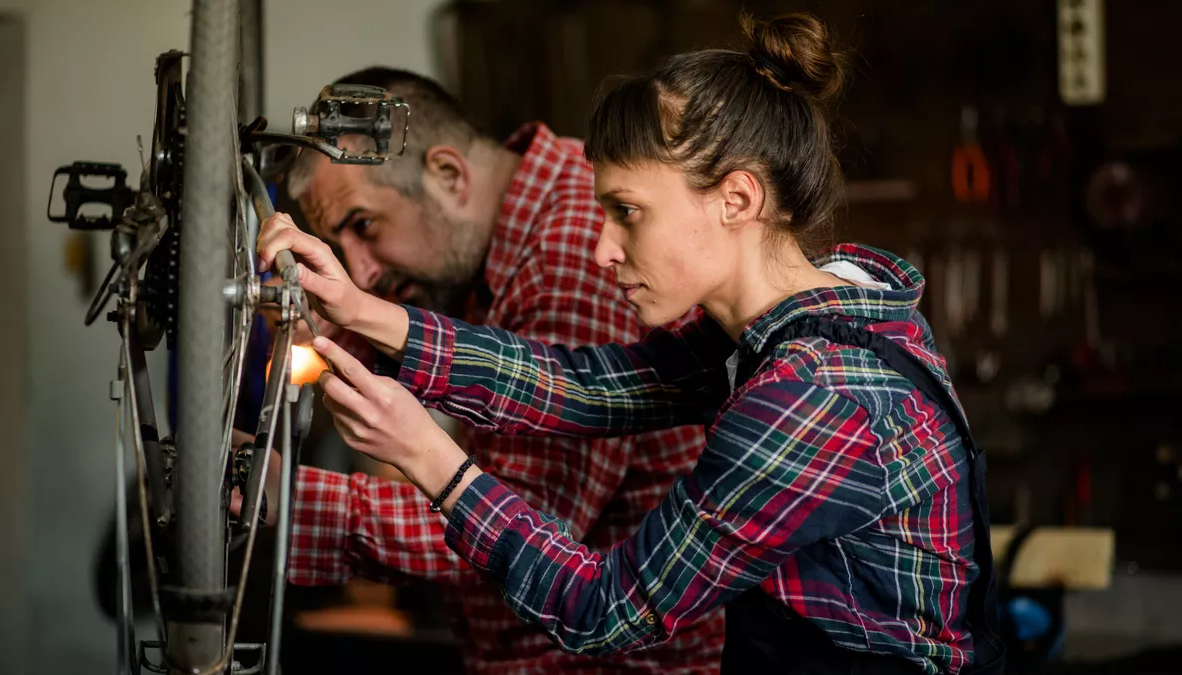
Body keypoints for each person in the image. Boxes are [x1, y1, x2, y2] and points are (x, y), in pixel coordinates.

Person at [257, 12, 1007, 675]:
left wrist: (430, 458)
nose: (602, 249)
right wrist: (362, 309)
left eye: (627, 212)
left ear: (737, 199)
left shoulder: (813, 394)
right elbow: (583, 386)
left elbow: (604, 606)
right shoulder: (789, 327)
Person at [246, 68, 724, 673]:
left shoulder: (570, 251)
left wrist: (285, 498)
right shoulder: (514, 234)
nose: (362, 271)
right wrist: (357, 323)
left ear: (448, 174)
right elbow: (552, 383)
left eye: (364, 227)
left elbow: (532, 517)